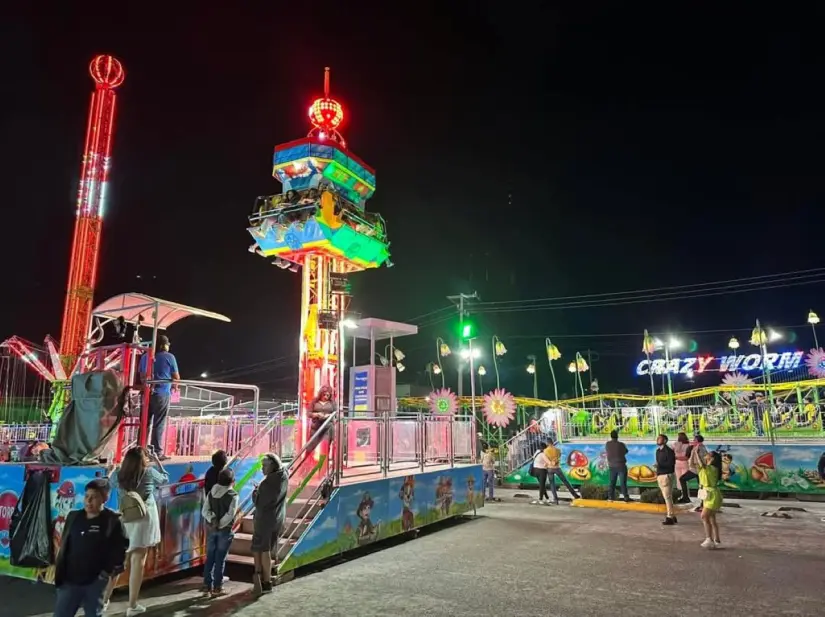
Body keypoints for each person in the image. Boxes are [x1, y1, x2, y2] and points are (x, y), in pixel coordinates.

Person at [53, 479, 127, 617]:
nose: (89, 501)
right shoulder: (74, 517)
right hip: (70, 581)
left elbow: (120, 550)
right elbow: (65, 545)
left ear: (105, 498)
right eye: (87, 496)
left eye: (94, 497)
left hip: (95, 582)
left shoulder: (112, 521)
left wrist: (106, 573)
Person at [110, 446, 169, 616]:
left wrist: (111, 470)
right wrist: (157, 459)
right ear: (144, 459)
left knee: (118, 562)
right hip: (144, 520)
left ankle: (104, 601)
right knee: (138, 562)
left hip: (125, 519)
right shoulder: (149, 472)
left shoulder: (119, 473)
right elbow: (165, 479)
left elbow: (109, 484)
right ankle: (132, 605)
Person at [251, 453, 288, 595]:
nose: (262, 468)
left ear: (272, 465)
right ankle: (265, 580)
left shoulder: (267, 484)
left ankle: (264, 580)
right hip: (277, 518)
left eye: (264, 465)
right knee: (267, 548)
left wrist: (255, 492)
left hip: (264, 520)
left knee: (262, 548)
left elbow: (259, 502)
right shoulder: (283, 476)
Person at [138, 335, 180, 459]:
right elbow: (176, 377)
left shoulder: (145, 356)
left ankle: (140, 451)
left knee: (144, 423)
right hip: (162, 393)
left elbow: (141, 375)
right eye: (167, 344)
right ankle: (156, 452)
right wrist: (175, 386)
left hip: (146, 394)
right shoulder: (169, 357)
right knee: (159, 423)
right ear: (164, 345)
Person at [202, 468, 238, 597]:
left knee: (210, 557)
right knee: (220, 559)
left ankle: (207, 586)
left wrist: (212, 520)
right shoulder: (233, 495)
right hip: (224, 531)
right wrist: (221, 524)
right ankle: (218, 587)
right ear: (232, 481)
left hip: (211, 530)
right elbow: (230, 514)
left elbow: (205, 510)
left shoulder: (211, 492)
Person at [691, 447, 723, 548]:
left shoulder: (712, 468)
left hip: (712, 495)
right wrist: (693, 454)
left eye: (709, 454)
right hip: (707, 494)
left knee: (704, 516)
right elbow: (691, 464)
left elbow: (701, 464)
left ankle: (709, 539)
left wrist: (696, 453)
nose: (706, 454)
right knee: (712, 518)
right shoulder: (705, 468)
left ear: (712, 458)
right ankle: (717, 540)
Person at [655, 434, 677, 525]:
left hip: (666, 475)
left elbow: (671, 464)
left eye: (659, 438)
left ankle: (670, 517)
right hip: (660, 475)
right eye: (657, 438)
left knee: (667, 497)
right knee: (667, 497)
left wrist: (659, 465)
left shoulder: (669, 451)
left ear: (664, 440)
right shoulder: (658, 451)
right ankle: (672, 515)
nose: (657, 439)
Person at [680, 434, 708, 504]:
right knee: (701, 486)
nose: (693, 441)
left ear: (698, 441)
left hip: (698, 470)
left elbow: (702, 460)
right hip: (696, 469)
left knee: (683, 479)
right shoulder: (697, 447)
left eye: (694, 440)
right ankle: (702, 503)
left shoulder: (700, 448)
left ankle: (687, 498)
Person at [605, 430, 631, 502]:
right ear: (617, 436)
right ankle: (626, 497)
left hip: (612, 466)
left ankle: (610, 497)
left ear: (610, 436)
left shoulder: (607, 444)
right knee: (623, 482)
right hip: (621, 465)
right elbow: (626, 451)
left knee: (612, 482)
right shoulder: (621, 444)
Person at [673, 432, 692, 503]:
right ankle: (686, 496)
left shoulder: (675, 444)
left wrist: (676, 457)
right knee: (685, 481)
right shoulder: (689, 445)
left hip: (677, 464)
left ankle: (680, 496)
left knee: (679, 481)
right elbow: (687, 457)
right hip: (685, 463)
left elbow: (672, 452)